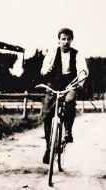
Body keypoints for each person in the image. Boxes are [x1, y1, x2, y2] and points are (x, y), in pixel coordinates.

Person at [40, 28, 88, 164]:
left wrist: (80, 82)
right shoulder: (53, 52)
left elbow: (83, 70)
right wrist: (45, 71)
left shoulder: (77, 54)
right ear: (59, 40)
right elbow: (44, 68)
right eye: (63, 39)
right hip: (54, 84)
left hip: (70, 84)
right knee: (47, 114)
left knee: (70, 101)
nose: (65, 42)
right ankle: (49, 148)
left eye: (68, 39)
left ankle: (68, 131)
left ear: (72, 40)